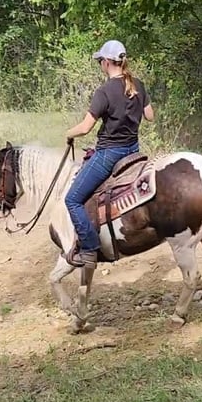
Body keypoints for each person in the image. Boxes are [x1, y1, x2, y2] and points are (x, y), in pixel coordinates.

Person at [63, 40, 155, 268]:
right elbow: (150, 116)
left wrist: (69, 133)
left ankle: (90, 248)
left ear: (106, 62)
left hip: (109, 154)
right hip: (133, 150)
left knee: (72, 199)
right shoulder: (138, 84)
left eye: (100, 61)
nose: (100, 65)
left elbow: (85, 128)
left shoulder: (104, 91)